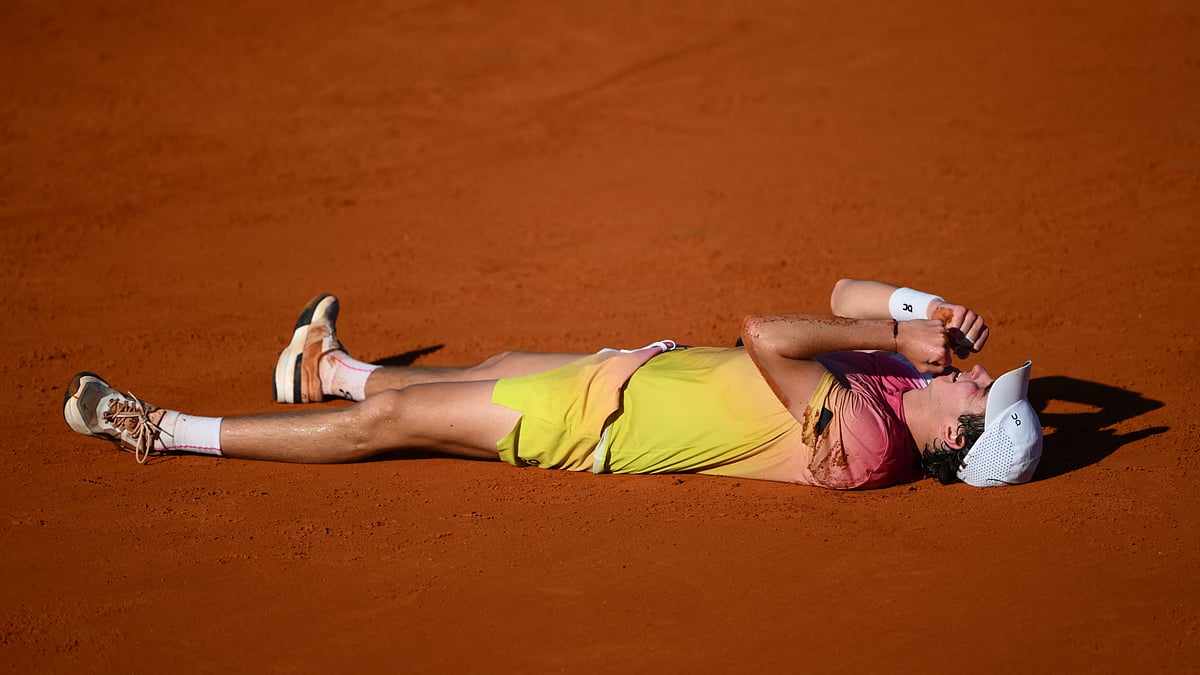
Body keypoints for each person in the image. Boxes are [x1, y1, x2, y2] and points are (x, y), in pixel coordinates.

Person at [62, 279, 1043, 488]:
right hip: (628, 375)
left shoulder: (870, 438)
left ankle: (159, 429)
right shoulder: (900, 379)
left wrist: (888, 333)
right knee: (482, 368)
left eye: (984, 403)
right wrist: (926, 312)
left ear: (957, 442)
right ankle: (325, 370)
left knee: (394, 423)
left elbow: (767, 331)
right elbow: (844, 291)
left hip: (587, 426)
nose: (984, 380)